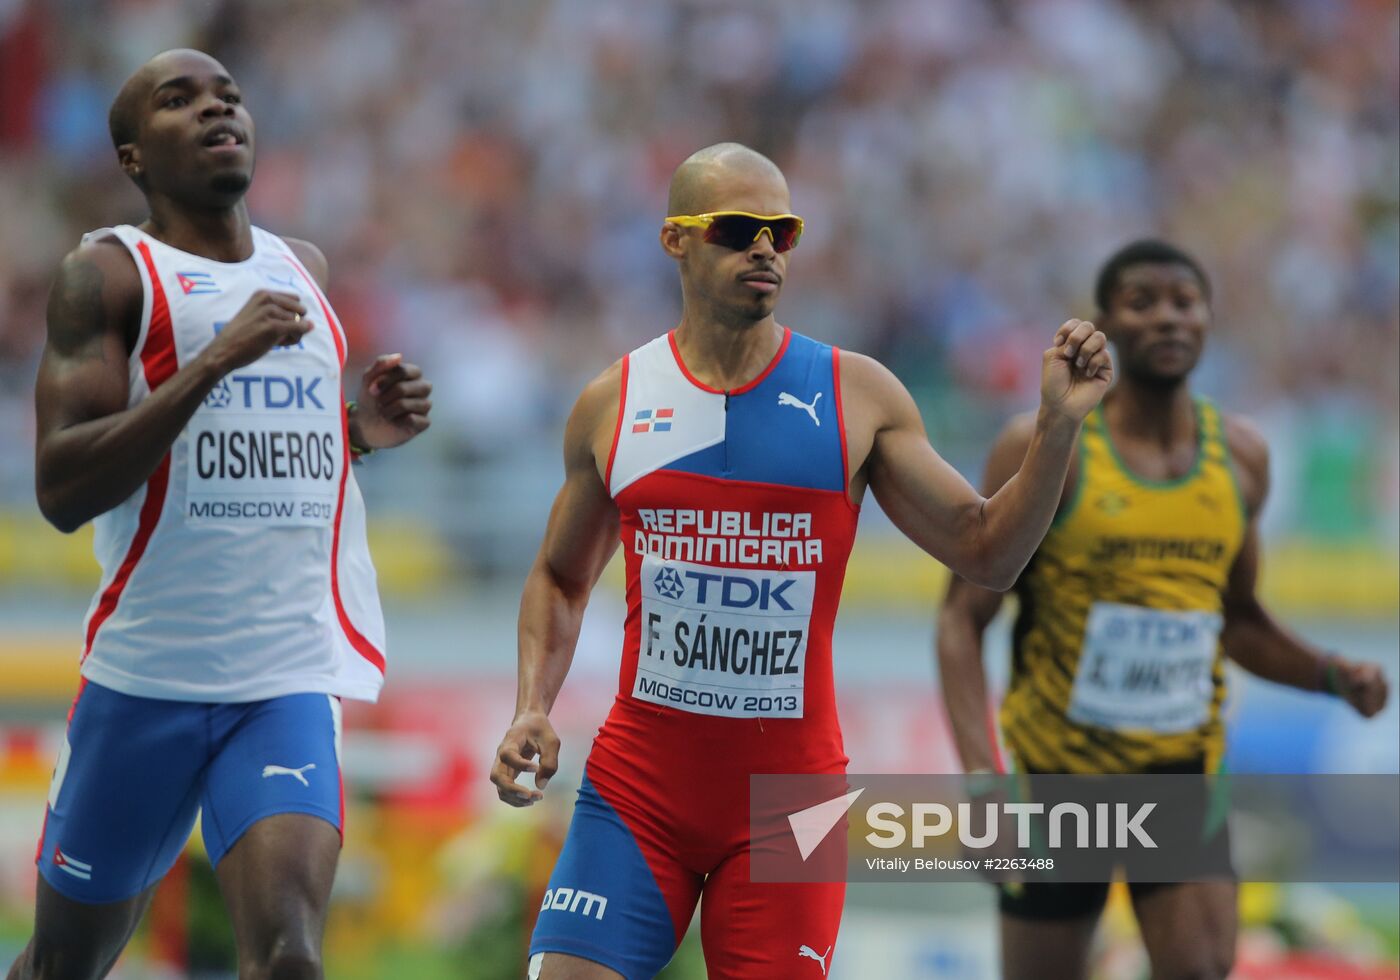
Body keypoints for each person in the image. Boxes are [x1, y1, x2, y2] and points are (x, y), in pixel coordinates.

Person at [487, 141, 1113, 980]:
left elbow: (987, 552)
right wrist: (533, 703)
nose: (764, 249)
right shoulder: (615, 400)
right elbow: (561, 578)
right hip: (639, 792)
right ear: (676, 240)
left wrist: (1057, 430)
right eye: (739, 228)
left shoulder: (856, 395)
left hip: (788, 811)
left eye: (782, 231)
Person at [9, 49, 431, 980]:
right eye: (178, 100)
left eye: (228, 97)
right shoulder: (111, 276)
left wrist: (359, 431)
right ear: (131, 157)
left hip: (280, 681)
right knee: (62, 966)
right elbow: (62, 490)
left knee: (288, 960)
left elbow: (269, 446)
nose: (214, 110)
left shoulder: (302, 268)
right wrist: (208, 362)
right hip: (145, 683)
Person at [936, 239, 1390, 980]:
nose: (1169, 318)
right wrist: (984, 784)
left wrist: (1332, 675)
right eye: (1142, 302)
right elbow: (961, 622)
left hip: (1179, 775)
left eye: (1185, 301)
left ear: (1209, 319)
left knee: (1201, 968)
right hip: (1058, 780)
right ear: (1104, 322)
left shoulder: (1241, 458)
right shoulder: (1050, 446)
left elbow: (1238, 620)